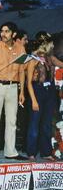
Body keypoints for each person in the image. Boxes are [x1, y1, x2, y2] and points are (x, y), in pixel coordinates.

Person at [0, 22, 28, 163]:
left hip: (13, 88)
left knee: (12, 121)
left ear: (13, 34)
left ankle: (11, 152)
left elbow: (22, 71)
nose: (3, 34)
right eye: (2, 31)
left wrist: (21, 92)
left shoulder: (21, 48)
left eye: (7, 31)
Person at [25, 32, 61, 161]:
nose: (52, 45)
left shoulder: (50, 58)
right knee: (34, 123)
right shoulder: (33, 59)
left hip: (50, 91)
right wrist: (34, 100)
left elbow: (61, 64)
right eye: (50, 43)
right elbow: (28, 82)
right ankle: (31, 152)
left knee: (46, 123)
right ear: (45, 44)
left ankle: (46, 151)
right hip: (37, 90)